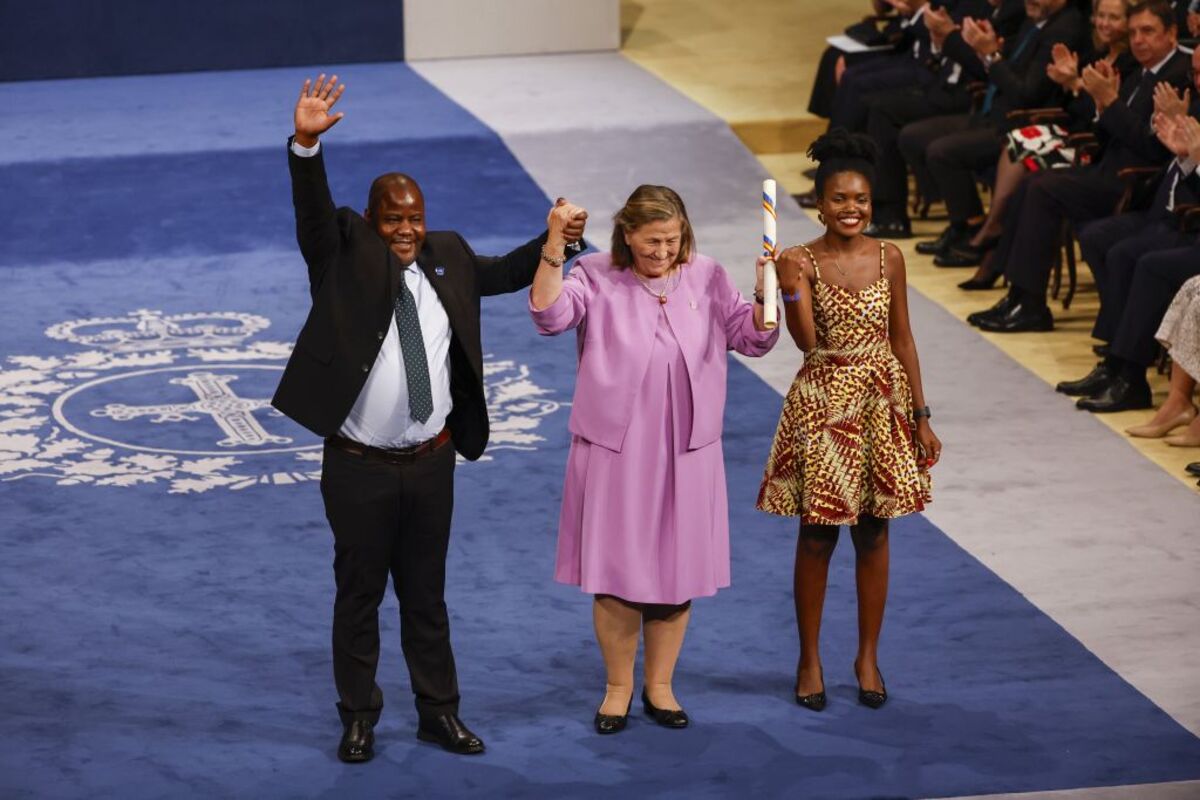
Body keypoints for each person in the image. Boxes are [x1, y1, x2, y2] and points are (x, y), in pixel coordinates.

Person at [272, 74, 587, 762]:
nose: (407, 229)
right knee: (358, 597)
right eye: (393, 218)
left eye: (414, 216)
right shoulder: (342, 254)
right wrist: (305, 144)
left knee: (427, 598)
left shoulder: (445, 253)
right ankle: (358, 716)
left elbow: (505, 272)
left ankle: (438, 714)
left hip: (432, 461)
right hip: (358, 468)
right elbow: (313, 213)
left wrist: (555, 238)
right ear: (372, 219)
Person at [529, 185, 778, 734]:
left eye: (672, 240)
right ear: (626, 236)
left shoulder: (708, 275)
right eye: (651, 243)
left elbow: (753, 339)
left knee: (677, 570)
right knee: (616, 573)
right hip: (617, 450)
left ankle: (660, 686)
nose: (663, 252)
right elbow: (548, 316)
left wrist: (768, 295)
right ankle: (617, 688)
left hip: (688, 449)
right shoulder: (595, 274)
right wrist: (553, 243)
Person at [758, 130, 939, 712]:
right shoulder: (798, 260)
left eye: (860, 199)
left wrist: (921, 414)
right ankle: (809, 659)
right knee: (816, 535)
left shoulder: (891, 256)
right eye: (840, 199)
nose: (852, 208)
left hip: (881, 401)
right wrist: (787, 292)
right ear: (819, 203)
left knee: (875, 531)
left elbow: (903, 339)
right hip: (824, 402)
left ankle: (867, 657)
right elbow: (808, 342)